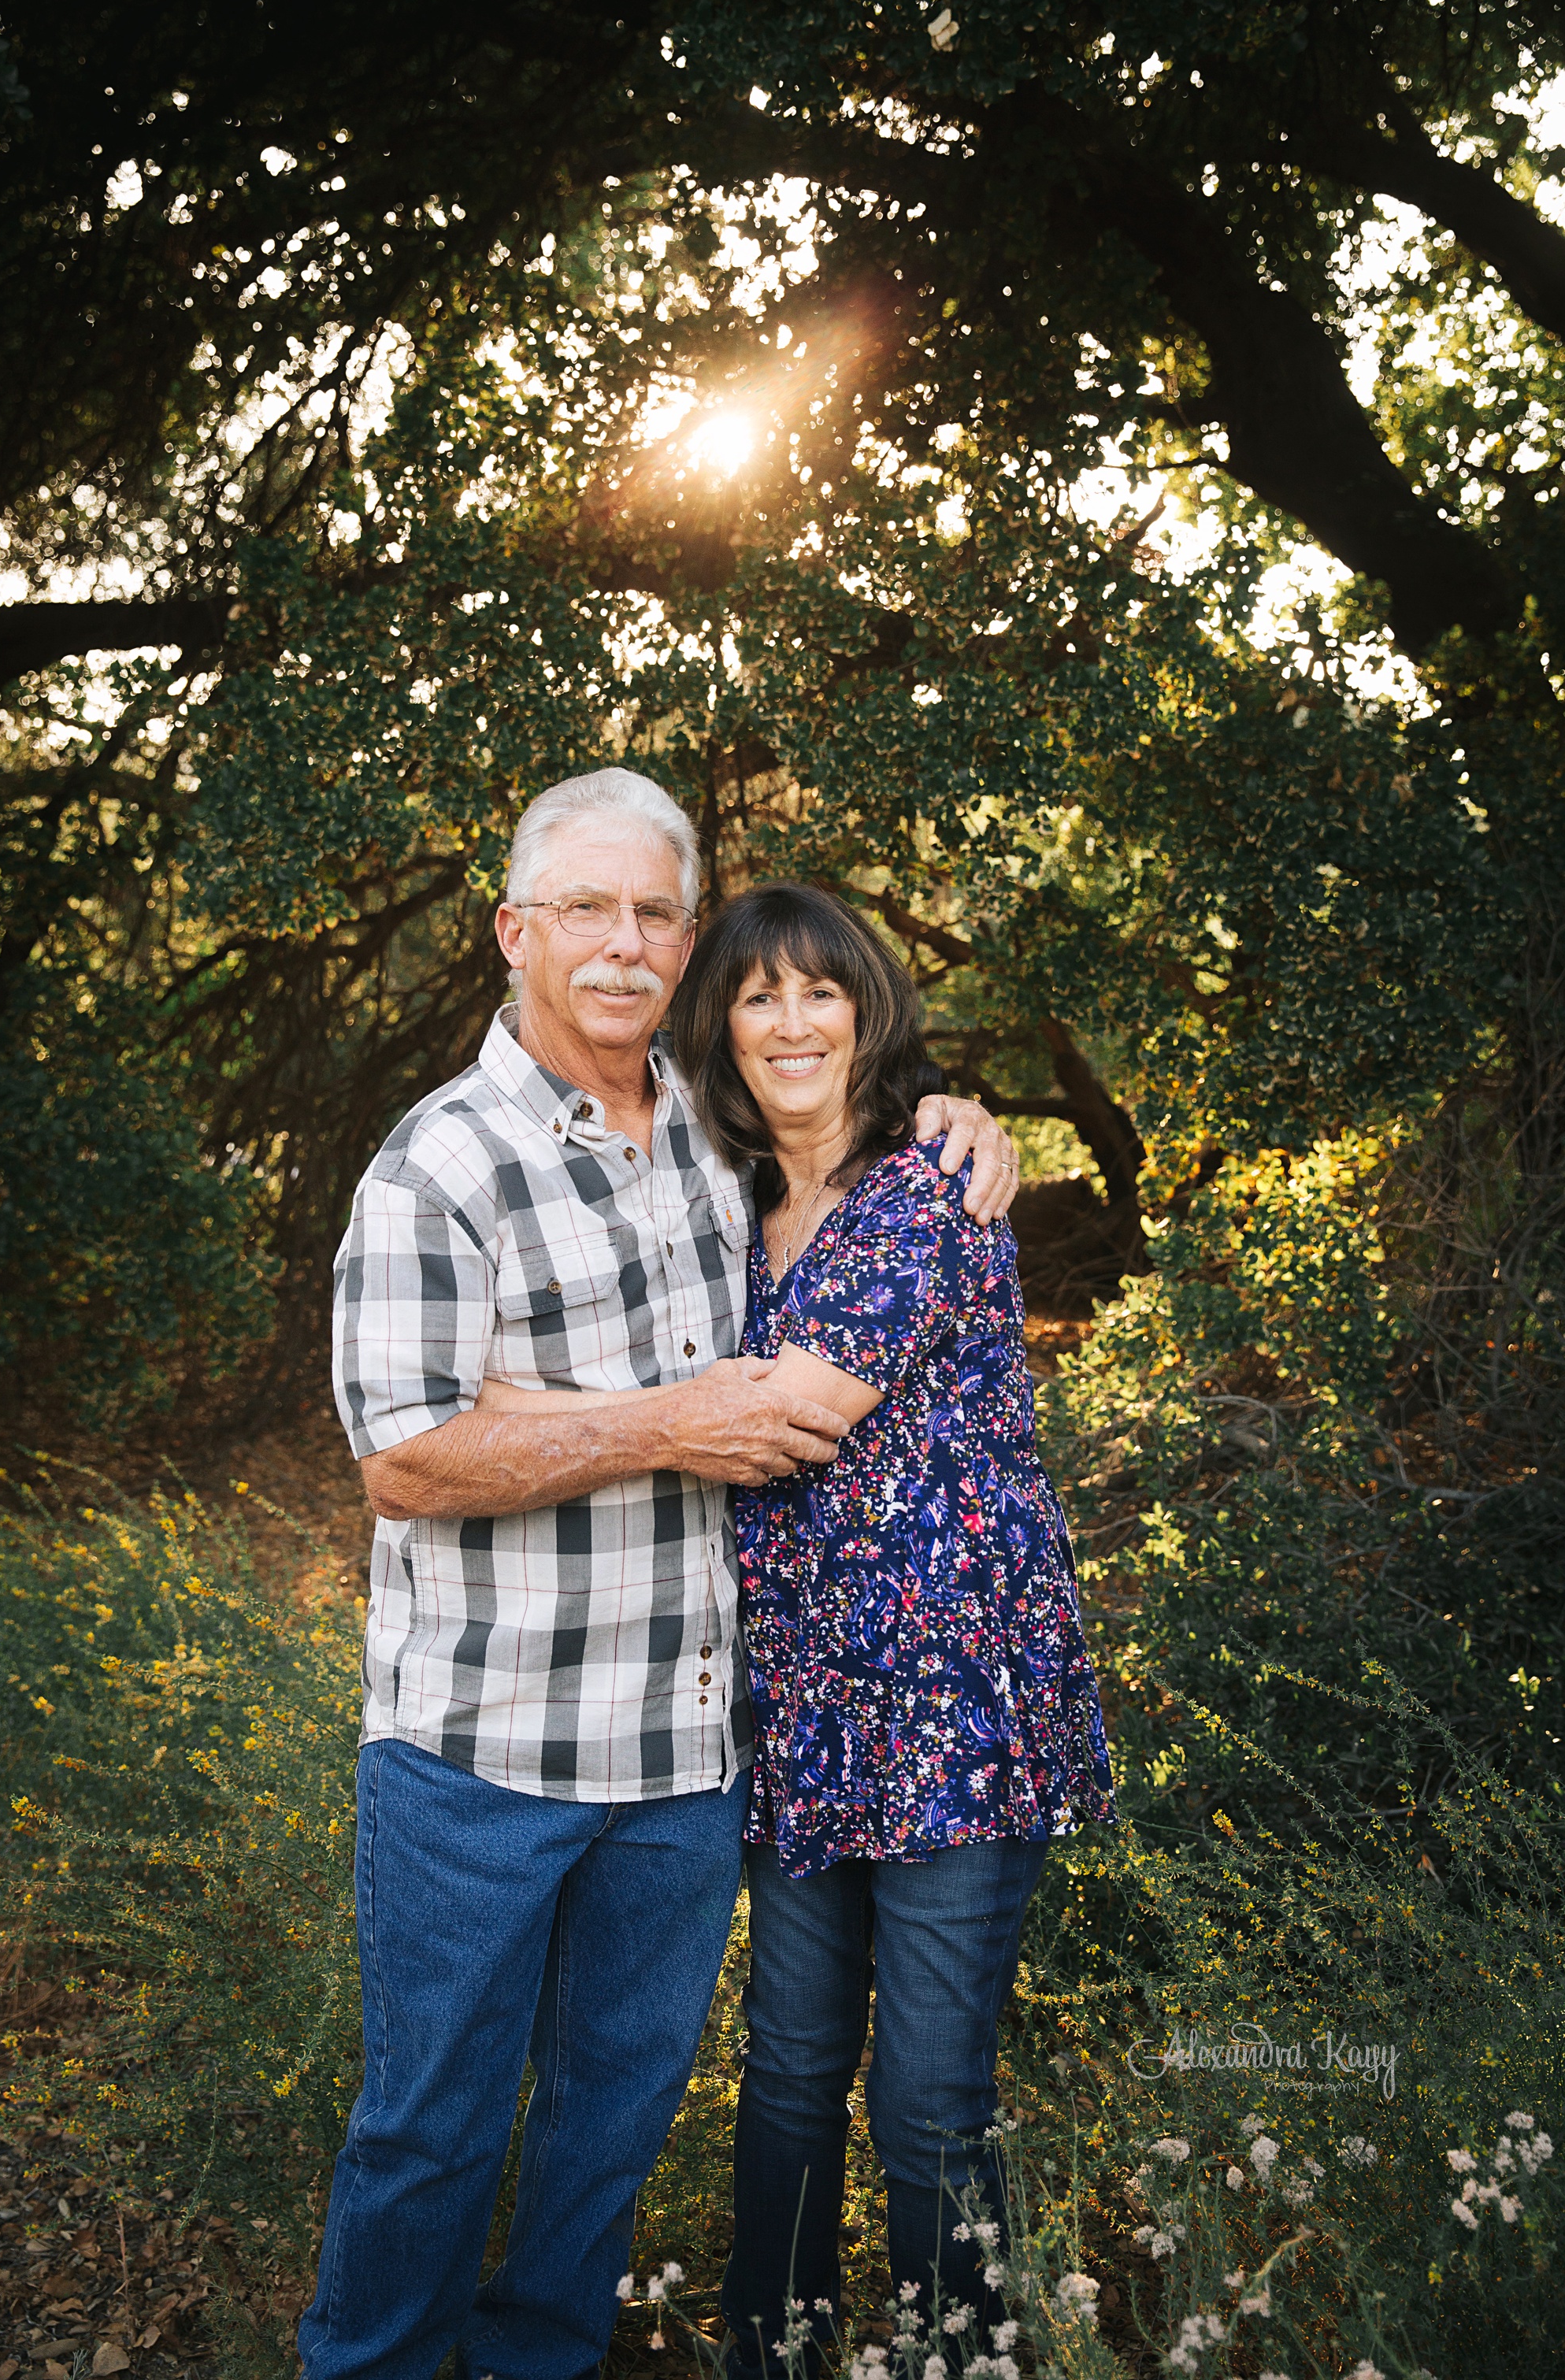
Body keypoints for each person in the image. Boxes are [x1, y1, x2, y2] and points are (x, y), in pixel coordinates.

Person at [298, 769, 1020, 2380]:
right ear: (512, 933)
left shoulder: (712, 1133)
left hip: (692, 1761)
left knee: (605, 2135)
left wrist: (958, 1122)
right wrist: (666, 1423)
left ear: (682, 941)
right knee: (429, 2134)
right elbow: (405, 1460)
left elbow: (846, 1121)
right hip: (485, 1757)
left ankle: (542, 2361)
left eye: (653, 914)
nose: (622, 947)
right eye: (584, 911)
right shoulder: (439, 1168)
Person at [669, 883, 1115, 2360]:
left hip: (954, 1710)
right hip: (804, 1714)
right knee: (788, 2080)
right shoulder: (729, 1212)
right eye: (756, 996)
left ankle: (955, 2358)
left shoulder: (925, 1191)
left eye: (822, 991)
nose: (792, 1022)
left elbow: (794, 1417)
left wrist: (525, 1427)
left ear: (868, 1010)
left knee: (927, 2107)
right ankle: (771, 2356)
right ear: (719, 1030)